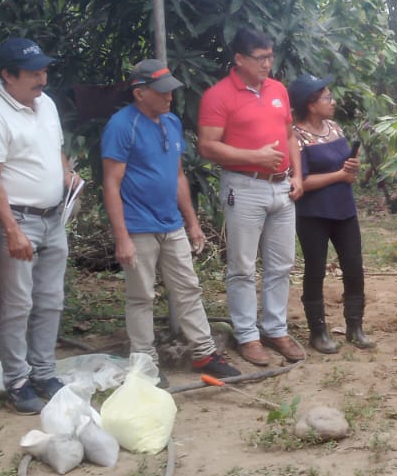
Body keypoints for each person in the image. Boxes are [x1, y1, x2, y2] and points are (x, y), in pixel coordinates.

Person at [103, 59, 242, 384]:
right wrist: (122, 237)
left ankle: (204, 353)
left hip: (170, 223)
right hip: (138, 226)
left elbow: (178, 175)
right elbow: (111, 183)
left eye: (170, 91)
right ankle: (146, 363)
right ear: (139, 93)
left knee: (188, 288)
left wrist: (191, 222)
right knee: (141, 296)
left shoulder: (171, 122)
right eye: (161, 91)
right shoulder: (121, 126)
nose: (169, 97)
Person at [0, 37, 83, 415]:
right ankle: (17, 381)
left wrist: (67, 174)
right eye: (33, 73)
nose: (42, 79)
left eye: (44, 71)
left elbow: (56, 149)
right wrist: (11, 230)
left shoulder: (45, 103)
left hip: (53, 217)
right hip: (18, 219)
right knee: (18, 304)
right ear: (7, 75)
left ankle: (44, 372)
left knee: (51, 300)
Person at [198, 28, 306, 367]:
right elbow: (207, 146)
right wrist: (254, 157)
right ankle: (247, 335)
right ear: (239, 59)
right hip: (244, 186)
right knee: (242, 266)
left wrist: (298, 175)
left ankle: (275, 329)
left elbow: (290, 136)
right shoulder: (218, 96)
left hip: (282, 187)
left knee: (281, 264)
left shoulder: (278, 90)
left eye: (270, 56)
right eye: (260, 58)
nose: (267, 64)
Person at [289, 74, 376, 353]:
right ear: (310, 104)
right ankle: (318, 332)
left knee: (354, 266)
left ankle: (355, 327)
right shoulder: (296, 136)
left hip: (343, 209)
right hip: (313, 213)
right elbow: (301, 181)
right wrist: (339, 175)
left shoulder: (334, 128)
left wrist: (351, 168)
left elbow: (344, 166)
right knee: (315, 270)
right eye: (327, 97)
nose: (333, 101)